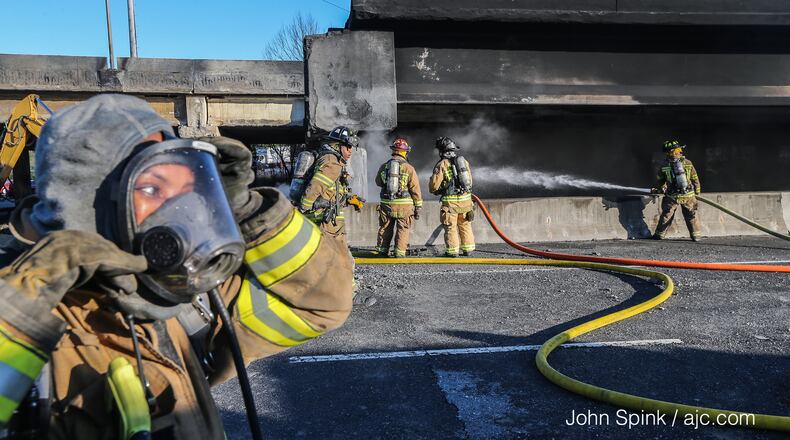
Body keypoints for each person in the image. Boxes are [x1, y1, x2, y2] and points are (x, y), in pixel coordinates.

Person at [0, 94, 353, 439]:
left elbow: (321, 303)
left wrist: (248, 211)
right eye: (155, 189)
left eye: (188, 191)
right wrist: (22, 302)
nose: (185, 212)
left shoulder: (173, 295)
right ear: (86, 206)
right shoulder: (24, 317)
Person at [298, 127, 373, 305]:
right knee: (343, 259)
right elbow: (315, 188)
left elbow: (331, 191)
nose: (350, 152)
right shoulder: (333, 163)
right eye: (348, 147)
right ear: (338, 145)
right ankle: (349, 295)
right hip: (328, 223)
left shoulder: (326, 158)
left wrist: (349, 198)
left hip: (325, 220)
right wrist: (305, 207)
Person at [374, 138, 423, 257]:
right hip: (404, 206)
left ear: (393, 150)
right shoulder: (409, 168)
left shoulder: (384, 166)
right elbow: (415, 189)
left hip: (387, 204)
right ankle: (399, 253)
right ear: (405, 152)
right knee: (403, 229)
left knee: (385, 227)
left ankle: (382, 250)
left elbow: (378, 182)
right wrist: (418, 207)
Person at [428, 137, 475, 257]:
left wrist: (434, 189)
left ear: (441, 151)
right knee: (465, 225)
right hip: (466, 201)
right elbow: (469, 181)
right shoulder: (464, 162)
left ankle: (453, 251)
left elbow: (434, 185)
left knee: (451, 227)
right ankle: (468, 249)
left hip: (450, 204)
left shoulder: (442, 164)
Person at [650, 140, 702, 241]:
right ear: (680, 151)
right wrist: (697, 192)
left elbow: (660, 179)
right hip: (688, 195)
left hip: (672, 195)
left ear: (667, 153)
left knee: (667, 215)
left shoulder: (664, 165)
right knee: (691, 215)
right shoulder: (688, 163)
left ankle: (659, 235)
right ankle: (696, 236)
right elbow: (695, 178)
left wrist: (662, 187)